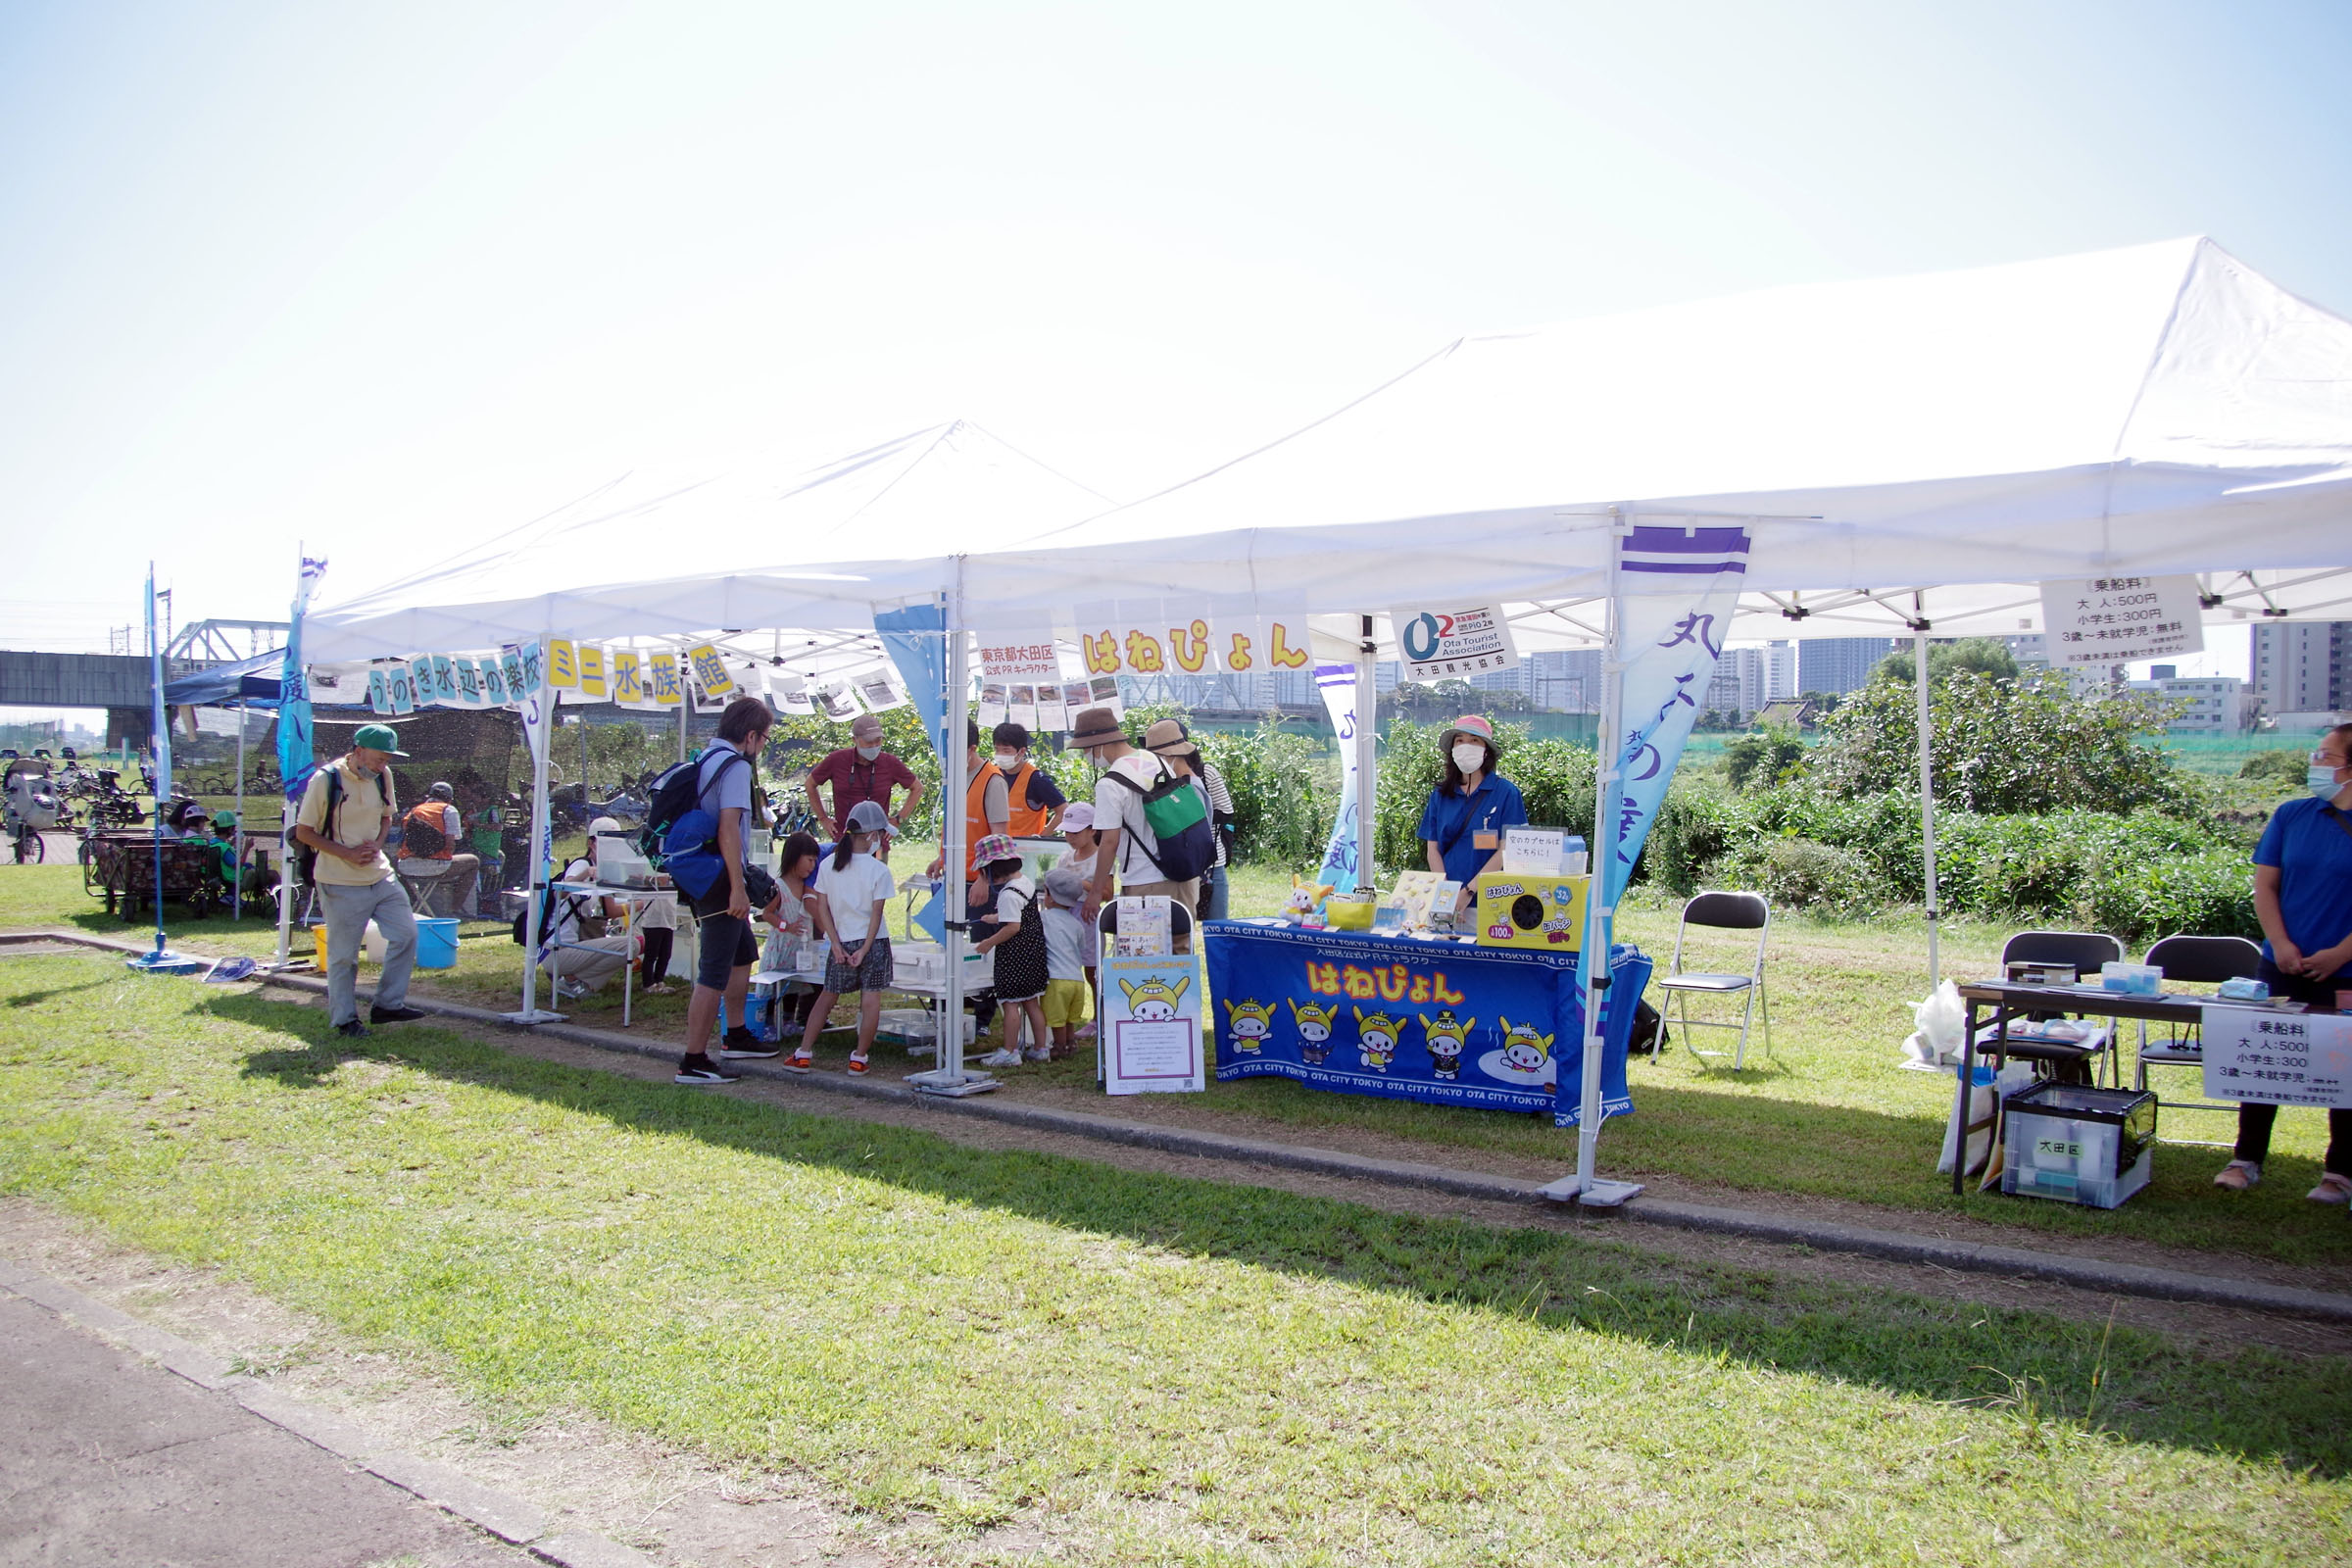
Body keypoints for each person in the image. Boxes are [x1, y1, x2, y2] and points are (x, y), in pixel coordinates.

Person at [2214, 721, 2352, 1201]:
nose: (2316, 763)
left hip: (2346, 970)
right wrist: (2281, 944)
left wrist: (2340, 953)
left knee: (2345, 1067)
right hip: (2282, 963)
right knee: (2265, 1062)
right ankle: (2245, 1159)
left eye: (2327, 757)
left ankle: (2338, 1172)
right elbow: (2265, 886)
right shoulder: (2293, 815)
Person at [291, 723, 425, 1038]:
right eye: (379, 759)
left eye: (387, 761)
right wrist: (346, 853)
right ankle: (344, 1020)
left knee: (406, 934)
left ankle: (387, 1005)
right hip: (338, 880)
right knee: (343, 956)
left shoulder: (383, 777)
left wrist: (378, 844)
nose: (383, 766)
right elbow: (303, 832)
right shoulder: (326, 780)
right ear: (358, 751)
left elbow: (386, 816)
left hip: (379, 874)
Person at [672, 696, 776, 1085]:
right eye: (764, 739)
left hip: (709, 873)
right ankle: (694, 1059)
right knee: (713, 970)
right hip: (720, 880)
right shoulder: (734, 766)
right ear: (749, 736)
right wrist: (737, 888)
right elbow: (728, 827)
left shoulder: (707, 757)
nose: (762, 746)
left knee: (743, 952)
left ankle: (736, 1034)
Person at [1070, 706, 1197, 953]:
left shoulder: (1110, 783)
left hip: (1144, 880)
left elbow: (1109, 842)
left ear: (1098, 744)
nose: (1085, 755)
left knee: (1142, 963)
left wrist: (1096, 893)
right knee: (1180, 956)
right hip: (1182, 874)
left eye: (1084, 749)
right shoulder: (1156, 759)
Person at [798, 800, 898, 1073]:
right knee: (871, 999)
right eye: (880, 834)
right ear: (871, 836)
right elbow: (876, 916)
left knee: (827, 997)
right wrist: (865, 949)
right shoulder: (879, 870)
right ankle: (859, 1057)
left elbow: (822, 907)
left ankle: (804, 1052)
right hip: (873, 943)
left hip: (841, 941)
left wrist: (836, 944)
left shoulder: (829, 864)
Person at [1417, 714, 1527, 915]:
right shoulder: (1440, 795)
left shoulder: (1506, 793)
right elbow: (1433, 848)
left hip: (1491, 902)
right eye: (1460, 740)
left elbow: (1507, 849)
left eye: (1474, 740)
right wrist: (1447, 891)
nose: (1466, 746)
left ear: (1486, 750)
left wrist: (1469, 891)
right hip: (1445, 900)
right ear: (1452, 749)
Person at [1144, 718, 1235, 920]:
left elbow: (1226, 812)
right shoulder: (1158, 780)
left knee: (1216, 925)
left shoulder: (1204, 774)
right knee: (1184, 924)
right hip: (1181, 864)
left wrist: (1190, 823)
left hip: (1211, 862)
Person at [970, 834, 1049, 1067]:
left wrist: (989, 942)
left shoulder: (1007, 894)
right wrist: (995, 917)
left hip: (1014, 957)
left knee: (1010, 1003)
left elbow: (1013, 927)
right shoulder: (1024, 883)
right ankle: (1041, 1048)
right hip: (1033, 953)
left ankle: (1009, 1050)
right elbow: (1019, 914)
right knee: (1032, 1003)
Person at [540, 819, 638, 999]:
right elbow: (560, 892)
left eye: (614, 842)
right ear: (590, 843)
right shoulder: (583, 864)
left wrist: (644, 900)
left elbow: (612, 911)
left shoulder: (605, 868)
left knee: (630, 944)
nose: (611, 848)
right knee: (631, 945)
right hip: (557, 949)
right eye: (605, 842)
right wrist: (586, 873)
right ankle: (571, 980)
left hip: (572, 945)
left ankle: (576, 982)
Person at [808, 713, 924, 842]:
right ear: (855, 740)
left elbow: (917, 788)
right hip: (844, 839)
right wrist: (823, 818)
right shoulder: (837, 760)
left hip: (877, 841)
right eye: (869, 742)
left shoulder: (890, 762)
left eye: (878, 740)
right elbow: (810, 784)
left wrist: (899, 819)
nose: (874, 745)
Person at [760, 830, 825, 1039]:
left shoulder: (808, 888)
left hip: (799, 950)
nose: (812, 866)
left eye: (815, 861)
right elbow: (767, 914)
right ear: (793, 857)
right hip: (781, 948)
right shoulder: (778, 887)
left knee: (794, 986)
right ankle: (770, 1021)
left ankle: (789, 1019)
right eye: (809, 860)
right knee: (775, 988)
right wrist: (784, 926)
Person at [929, 718, 1010, 882]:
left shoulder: (993, 781)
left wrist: (984, 878)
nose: (946, 757)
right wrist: (942, 859)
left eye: (952, 751)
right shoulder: (954, 776)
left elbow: (999, 835)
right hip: (953, 876)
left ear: (971, 749)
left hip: (977, 881)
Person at [397, 781, 481, 917]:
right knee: (473, 862)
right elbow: (450, 844)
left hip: (407, 867)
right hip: (436, 867)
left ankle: (414, 905)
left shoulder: (414, 810)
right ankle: (455, 910)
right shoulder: (448, 810)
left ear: (429, 796)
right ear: (449, 798)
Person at [1038, 863, 1094, 1059]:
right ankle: (1071, 1042)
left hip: (1056, 979)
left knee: (1057, 1019)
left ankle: (1059, 1047)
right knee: (1070, 1017)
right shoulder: (1077, 924)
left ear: (1050, 897)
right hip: (1076, 980)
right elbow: (1080, 949)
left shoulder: (1044, 918)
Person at [991, 722, 1067, 837]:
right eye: (997, 750)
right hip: (996, 848)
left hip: (1024, 850)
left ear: (1021, 752)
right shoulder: (993, 775)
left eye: (1006, 751)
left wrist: (1042, 839)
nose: (1000, 755)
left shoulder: (1037, 779)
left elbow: (1063, 811)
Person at [1055, 802, 1101, 886]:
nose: (1070, 837)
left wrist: (1078, 882)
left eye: (1075, 832)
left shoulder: (1101, 859)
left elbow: (1108, 894)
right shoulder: (1064, 859)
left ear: (1092, 830)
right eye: (1067, 832)